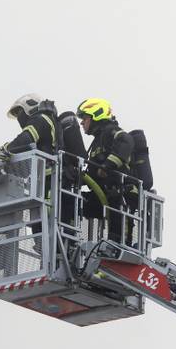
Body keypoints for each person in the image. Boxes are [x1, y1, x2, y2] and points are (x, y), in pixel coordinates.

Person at [1, 94, 62, 252]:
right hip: (43, 181)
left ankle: (48, 248)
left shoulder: (40, 119)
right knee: (40, 220)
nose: (19, 119)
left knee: (44, 217)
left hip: (48, 181)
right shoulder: (49, 122)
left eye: (19, 113)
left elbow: (25, 139)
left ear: (29, 107)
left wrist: (4, 150)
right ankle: (46, 250)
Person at [76, 98, 134, 244]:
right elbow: (92, 172)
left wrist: (108, 165)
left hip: (119, 195)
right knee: (73, 202)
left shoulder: (110, 131)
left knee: (118, 240)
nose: (82, 123)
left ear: (96, 115)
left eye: (84, 118)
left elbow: (126, 141)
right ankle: (67, 241)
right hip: (102, 196)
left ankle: (119, 253)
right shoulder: (97, 142)